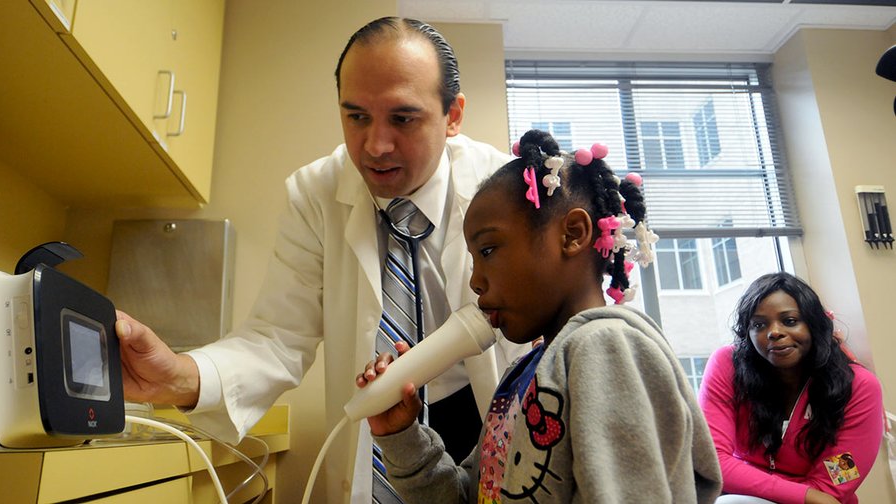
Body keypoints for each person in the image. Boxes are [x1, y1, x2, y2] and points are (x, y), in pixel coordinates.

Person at [113, 17, 529, 503]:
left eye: (403, 118)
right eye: (356, 117)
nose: (375, 146)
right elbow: (276, 338)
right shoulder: (316, 194)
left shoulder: (503, 188)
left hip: (487, 416)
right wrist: (180, 376)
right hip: (384, 436)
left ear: (452, 114)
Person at [357, 129, 723, 503]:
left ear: (573, 234)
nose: (476, 281)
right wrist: (402, 435)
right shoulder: (527, 371)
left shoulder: (604, 347)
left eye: (487, 250)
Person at [698, 272, 885, 504]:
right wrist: (806, 495)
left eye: (790, 321)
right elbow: (712, 459)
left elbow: (832, 488)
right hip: (742, 498)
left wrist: (743, 478)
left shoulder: (859, 387)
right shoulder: (728, 365)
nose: (774, 332)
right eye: (759, 324)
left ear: (815, 325)